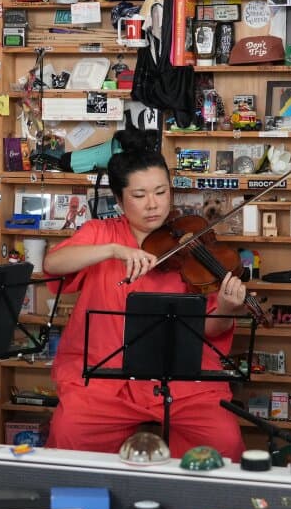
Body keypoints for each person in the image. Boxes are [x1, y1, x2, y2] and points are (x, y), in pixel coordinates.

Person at [43, 128, 247, 461]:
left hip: (184, 383)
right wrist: (113, 250)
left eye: (161, 192)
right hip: (106, 379)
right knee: (70, 435)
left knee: (224, 441)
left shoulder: (191, 245)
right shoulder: (100, 233)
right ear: (120, 200)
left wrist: (226, 307)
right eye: (139, 195)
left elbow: (208, 332)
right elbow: (54, 262)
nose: (153, 205)